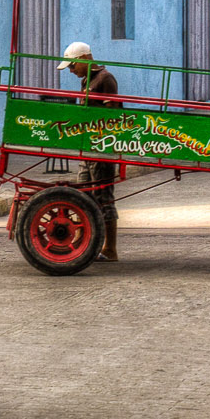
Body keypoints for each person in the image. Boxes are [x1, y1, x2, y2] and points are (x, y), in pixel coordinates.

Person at [62, 41, 122, 262]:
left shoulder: (105, 79)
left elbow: (111, 115)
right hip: (88, 148)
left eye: (72, 66)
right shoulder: (87, 80)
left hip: (101, 148)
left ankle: (110, 249)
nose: (71, 70)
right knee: (83, 195)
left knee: (103, 197)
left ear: (84, 59)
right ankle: (81, 242)